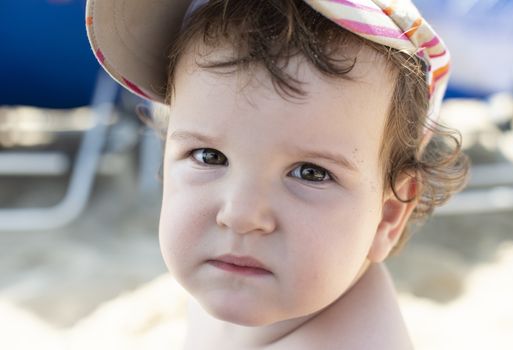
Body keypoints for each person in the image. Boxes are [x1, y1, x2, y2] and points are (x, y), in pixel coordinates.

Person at [86, 0, 469, 348]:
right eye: (209, 156)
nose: (240, 215)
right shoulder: (234, 276)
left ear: (388, 215)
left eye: (310, 173)